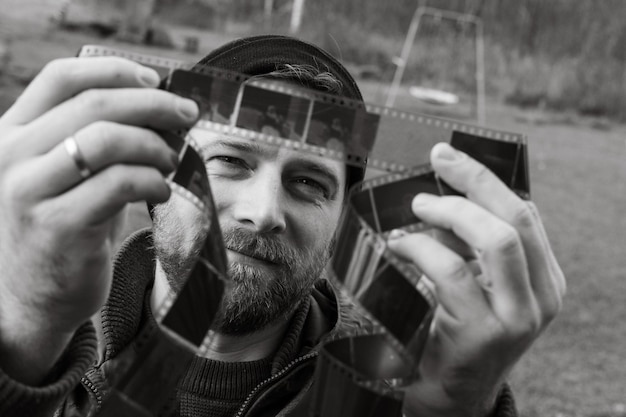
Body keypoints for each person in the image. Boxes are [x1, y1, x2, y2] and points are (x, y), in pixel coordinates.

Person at [0, 35, 565, 417]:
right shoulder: (42, 333)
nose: (264, 211)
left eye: (310, 183)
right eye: (230, 162)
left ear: (343, 223)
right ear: (157, 171)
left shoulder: (392, 390)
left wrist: (454, 409)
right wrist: (29, 326)